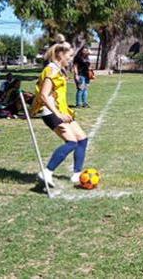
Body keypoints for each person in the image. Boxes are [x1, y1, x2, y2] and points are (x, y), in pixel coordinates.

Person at [31, 38, 88, 187]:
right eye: (68, 57)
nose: (70, 60)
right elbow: (44, 95)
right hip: (50, 112)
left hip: (61, 110)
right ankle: (47, 172)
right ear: (60, 55)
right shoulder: (51, 70)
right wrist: (57, 113)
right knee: (71, 142)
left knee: (82, 139)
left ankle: (76, 175)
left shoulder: (58, 69)